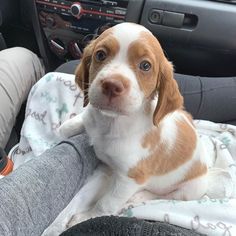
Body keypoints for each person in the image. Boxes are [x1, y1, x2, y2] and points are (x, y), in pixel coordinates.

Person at [0, 50, 236, 235]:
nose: (113, 79)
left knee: (193, 187)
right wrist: (75, 126)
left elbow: (133, 177)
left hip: (178, 183)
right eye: (102, 56)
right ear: (87, 68)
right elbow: (91, 115)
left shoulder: (138, 142)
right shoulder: (100, 106)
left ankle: (152, 196)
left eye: (145, 65)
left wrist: (97, 212)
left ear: (159, 90)